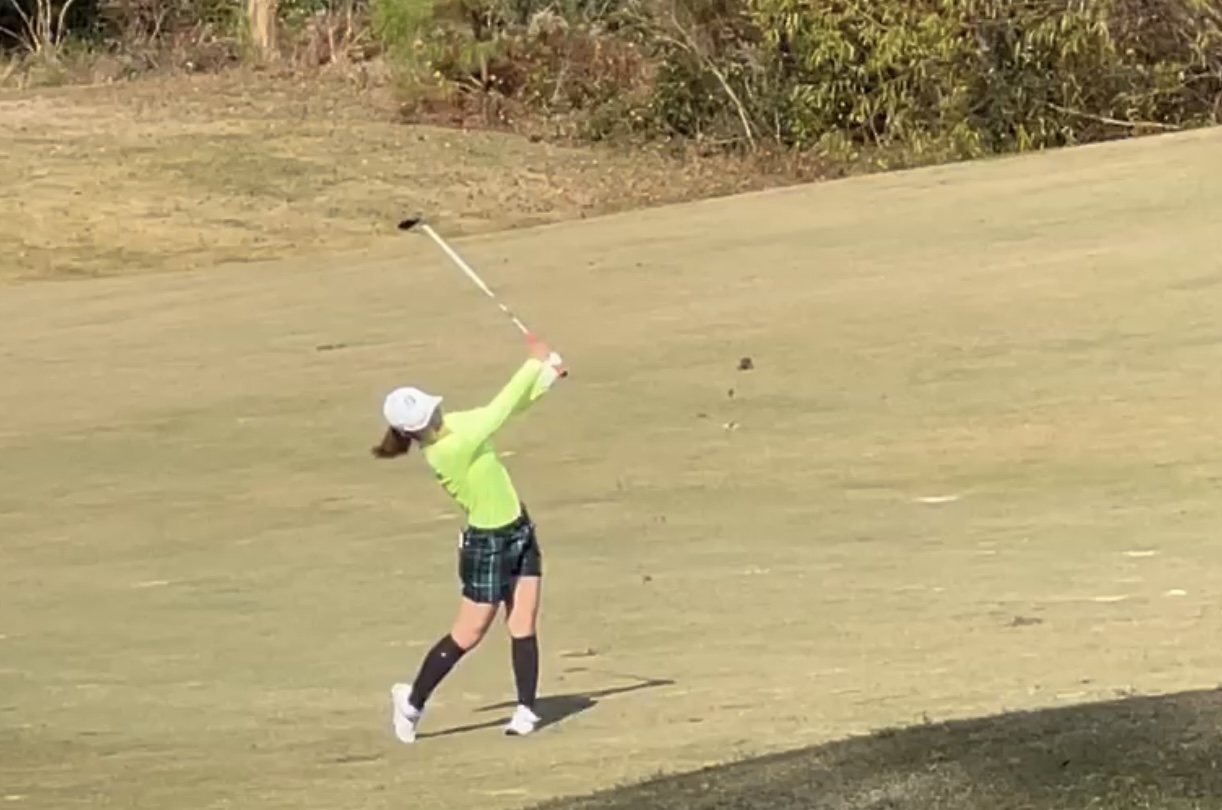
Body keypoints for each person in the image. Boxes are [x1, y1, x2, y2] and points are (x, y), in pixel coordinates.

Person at [371, 335, 567, 744]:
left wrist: (546, 377)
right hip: (486, 544)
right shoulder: (448, 449)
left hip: (519, 530)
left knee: (523, 623)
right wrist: (534, 363)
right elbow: (499, 410)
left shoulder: (459, 425)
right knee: (469, 634)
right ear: (413, 430)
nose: (436, 414)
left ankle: (526, 710)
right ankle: (412, 702)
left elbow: (511, 408)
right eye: (427, 415)